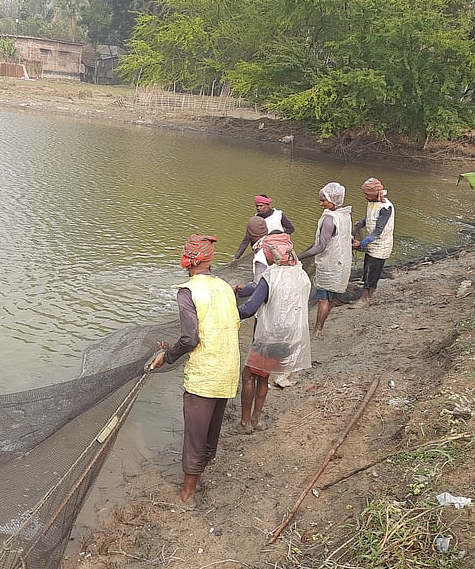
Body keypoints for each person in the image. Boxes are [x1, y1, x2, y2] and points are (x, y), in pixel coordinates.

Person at [149, 234, 241, 505]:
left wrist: (168, 355)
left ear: (189, 260)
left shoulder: (188, 291)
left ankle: (187, 493)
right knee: (212, 425)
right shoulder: (224, 287)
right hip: (229, 366)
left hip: (206, 372)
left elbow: (190, 338)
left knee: (194, 434)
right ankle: (206, 466)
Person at [233, 233, 312, 427]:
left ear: (272, 255)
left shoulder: (270, 276)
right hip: (288, 337)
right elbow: (272, 289)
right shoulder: (301, 274)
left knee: (249, 375)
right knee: (264, 375)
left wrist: (226, 312)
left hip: (270, 335)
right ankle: (257, 418)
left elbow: (249, 309)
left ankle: (245, 421)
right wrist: (240, 290)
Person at [295, 182, 353, 334]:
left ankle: (317, 330)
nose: (321, 203)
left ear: (333, 199)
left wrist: (299, 256)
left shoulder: (329, 219)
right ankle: (320, 327)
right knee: (331, 298)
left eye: (323, 200)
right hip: (342, 263)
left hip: (329, 264)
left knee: (323, 299)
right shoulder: (345, 215)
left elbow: (321, 246)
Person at [352, 177, 396, 306]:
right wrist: (362, 222)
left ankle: (364, 299)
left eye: (367, 194)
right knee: (367, 268)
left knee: (372, 271)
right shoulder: (372, 202)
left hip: (381, 245)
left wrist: (361, 243)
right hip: (372, 243)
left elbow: (378, 230)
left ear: (373, 193)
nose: (365, 196)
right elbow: (371, 216)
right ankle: (367, 294)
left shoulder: (385, 207)